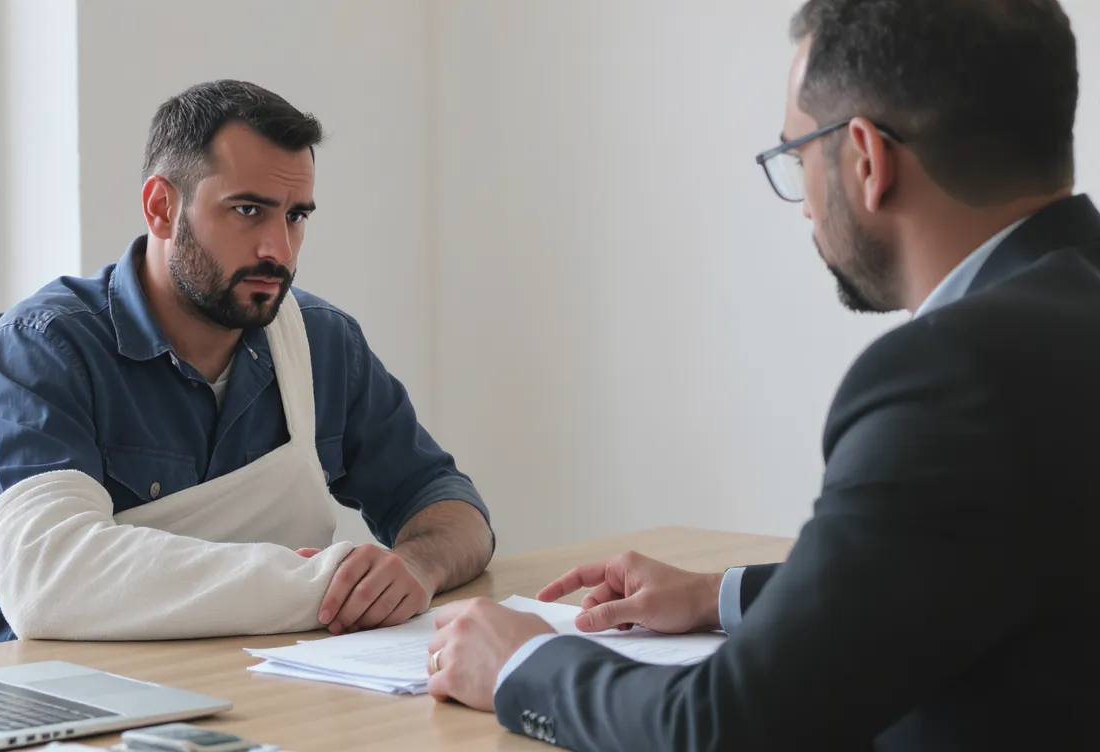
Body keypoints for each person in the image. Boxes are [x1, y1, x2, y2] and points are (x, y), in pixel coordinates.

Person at [425, 1, 1096, 749]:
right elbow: (1002, 559)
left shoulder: (951, 375)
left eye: (798, 154)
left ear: (867, 160)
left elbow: (727, 727)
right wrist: (722, 596)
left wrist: (522, 660)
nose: (804, 203)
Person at [0, 80, 493, 649]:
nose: (279, 250)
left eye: (296, 216)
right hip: (45, 700)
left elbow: (446, 503)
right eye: (248, 210)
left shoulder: (322, 342)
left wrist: (417, 566)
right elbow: (51, 579)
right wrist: (325, 588)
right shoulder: (44, 347)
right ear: (162, 207)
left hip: (253, 683)